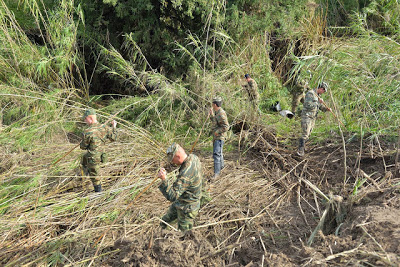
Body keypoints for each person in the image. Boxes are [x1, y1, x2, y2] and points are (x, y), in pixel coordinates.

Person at [158, 143, 203, 232]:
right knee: (164, 223)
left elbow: (172, 196)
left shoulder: (185, 173)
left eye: (172, 159)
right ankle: (163, 238)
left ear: (177, 156)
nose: (172, 162)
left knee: (185, 235)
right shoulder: (194, 157)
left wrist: (164, 180)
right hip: (181, 201)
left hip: (187, 207)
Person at [80, 109, 117, 192]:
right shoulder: (105, 128)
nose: (85, 121)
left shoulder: (87, 132)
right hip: (102, 156)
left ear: (90, 118)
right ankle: (85, 175)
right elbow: (113, 138)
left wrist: (83, 140)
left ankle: (98, 193)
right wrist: (114, 126)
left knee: (95, 176)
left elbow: (83, 147)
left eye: (85, 119)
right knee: (84, 160)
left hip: (93, 158)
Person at [297, 82, 331, 156]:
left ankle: (303, 147)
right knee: (305, 133)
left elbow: (320, 107)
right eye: (323, 91)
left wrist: (326, 109)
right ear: (321, 88)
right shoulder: (311, 94)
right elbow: (308, 105)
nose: (323, 92)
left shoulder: (318, 96)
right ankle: (300, 150)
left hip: (313, 118)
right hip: (307, 116)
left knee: (309, 134)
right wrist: (318, 102)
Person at [209, 96, 229, 178]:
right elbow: (216, 122)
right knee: (219, 154)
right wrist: (211, 115)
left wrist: (217, 132)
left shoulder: (221, 113)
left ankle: (217, 174)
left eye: (213, 104)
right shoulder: (217, 112)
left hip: (220, 137)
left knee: (216, 154)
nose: (212, 106)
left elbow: (226, 126)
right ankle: (222, 168)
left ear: (215, 105)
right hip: (217, 137)